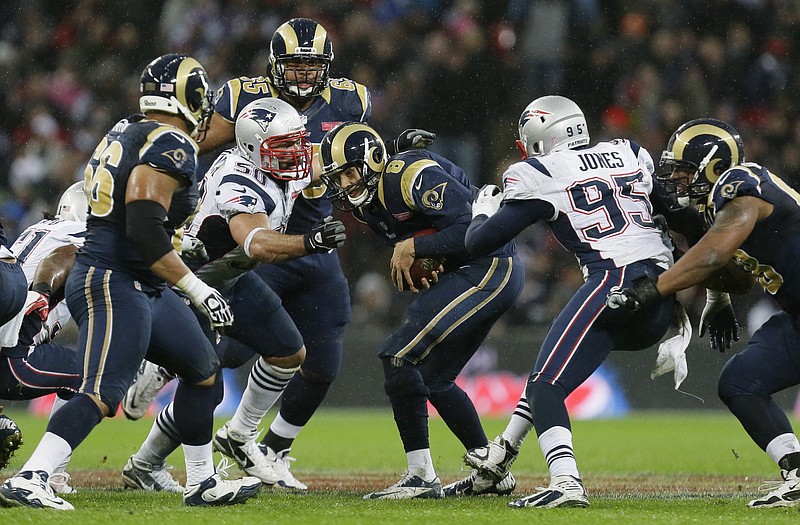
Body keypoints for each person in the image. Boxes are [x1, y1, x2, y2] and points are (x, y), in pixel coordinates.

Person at [123, 17, 432, 490]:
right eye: (295, 65)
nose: (305, 74)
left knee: (318, 361)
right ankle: (155, 434)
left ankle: (263, 446)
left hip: (314, 239)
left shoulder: (352, 99)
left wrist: (393, 153)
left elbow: (353, 156)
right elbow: (188, 145)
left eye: (313, 65)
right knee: (217, 357)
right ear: (274, 65)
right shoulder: (242, 99)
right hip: (259, 239)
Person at [0, 53, 261, 510]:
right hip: (114, 281)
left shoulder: (126, 129)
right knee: (103, 390)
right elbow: (143, 229)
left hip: (143, 283)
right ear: (189, 96)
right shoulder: (169, 144)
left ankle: (201, 482)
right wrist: (197, 287)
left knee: (202, 370)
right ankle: (32, 477)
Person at [462, 95, 677, 509]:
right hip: (660, 296)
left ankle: (566, 483)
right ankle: (502, 453)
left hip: (614, 282)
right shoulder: (626, 151)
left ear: (540, 137)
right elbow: (676, 218)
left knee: (545, 385)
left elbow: (479, 243)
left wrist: (482, 211)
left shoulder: (541, 171)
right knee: (550, 374)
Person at [121, 97, 345, 492]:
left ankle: (240, 435)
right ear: (254, 148)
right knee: (207, 384)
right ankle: (150, 463)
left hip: (232, 274)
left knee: (288, 352)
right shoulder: (239, 180)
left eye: (296, 142)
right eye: (285, 146)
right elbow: (257, 243)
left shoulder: (278, 158)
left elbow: (329, 157)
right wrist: (310, 241)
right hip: (194, 278)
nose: (296, 153)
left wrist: (385, 154)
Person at [319, 122, 524, 499]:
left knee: (398, 355)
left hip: (491, 263)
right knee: (433, 378)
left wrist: (415, 247)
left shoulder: (407, 175)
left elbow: (471, 226)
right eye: (339, 177)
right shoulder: (371, 205)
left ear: (374, 160)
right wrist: (427, 253)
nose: (345, 184)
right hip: (476, 269)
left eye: (350, 172)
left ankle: (421, 476)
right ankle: (490, 467)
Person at [609, 117, 800, 509]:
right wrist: (716, 298)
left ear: (712, 165)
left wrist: (654, 289)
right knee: (740, 381)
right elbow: (735, 274)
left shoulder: (741, 183)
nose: (676, 180)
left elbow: (714, 252)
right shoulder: (723, 207)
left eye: (682, 170)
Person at [0, 182, 89, 493]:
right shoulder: (79, 235)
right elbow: (67, 256)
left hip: (7, 334)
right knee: (91, 375)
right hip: (12, 351)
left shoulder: (39, 229)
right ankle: (48, 474)